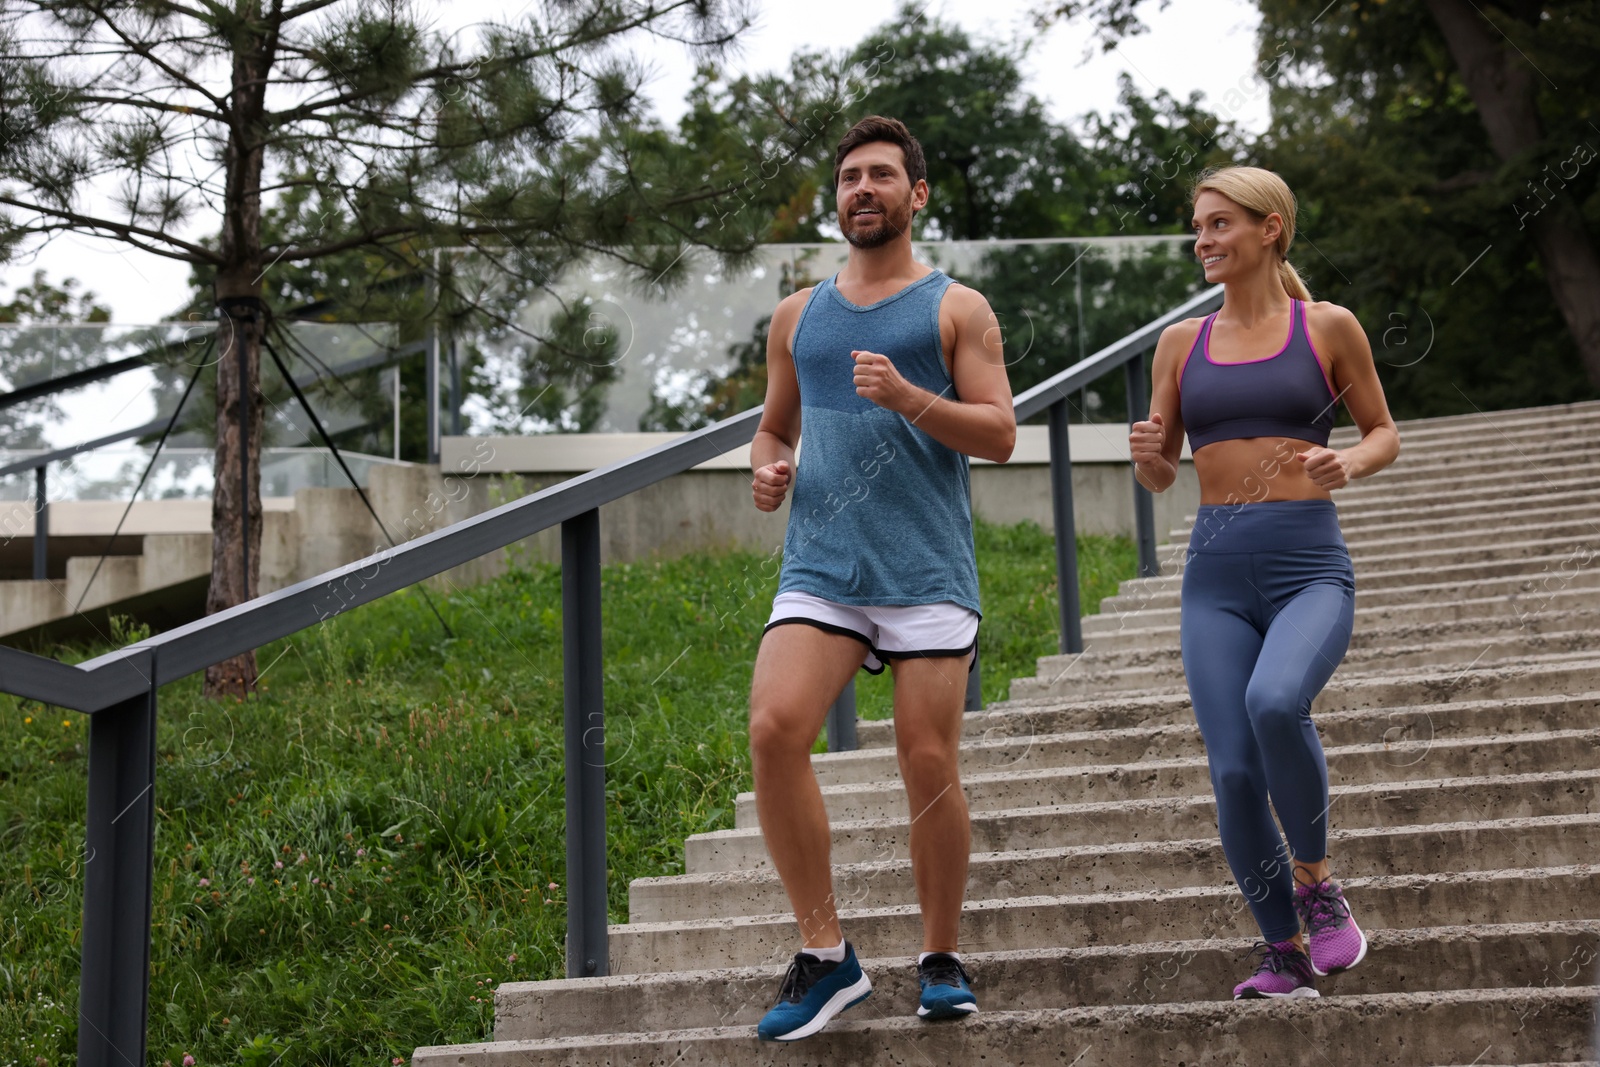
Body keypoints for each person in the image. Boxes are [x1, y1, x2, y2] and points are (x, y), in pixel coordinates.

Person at [745, 115, 1015, 1041]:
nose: (864, 188)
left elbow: (1001, 433)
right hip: (822, 563)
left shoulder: (957, 308)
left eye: (883, 176)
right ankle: (827, 956)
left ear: (917, 195)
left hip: (926, 567)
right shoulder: (798, 316)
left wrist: (909, 396)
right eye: (851, 176)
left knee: (927, 761)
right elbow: (775, 424)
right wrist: (768, 467)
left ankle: (940, 953)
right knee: (776, 726)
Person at [1128, 165, 1400, 1000]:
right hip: (1214, 576)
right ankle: (1281, 950)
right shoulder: (1181, 343)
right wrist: (1149, 461)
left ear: (1269, 228)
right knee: (1235, 770)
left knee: (1275, 700)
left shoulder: (1327, 328)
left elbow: (1383, 430)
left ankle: (1317, 885)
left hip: (1308, 564)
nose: (1202, 240)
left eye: (1219, 225)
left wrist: (1347, 459)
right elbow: (1162, 475)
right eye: (1198, 227)